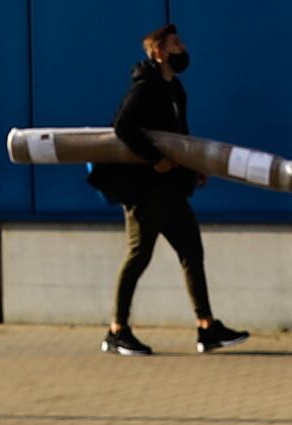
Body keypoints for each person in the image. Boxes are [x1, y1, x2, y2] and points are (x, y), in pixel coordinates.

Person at [100, 22, 249, 357]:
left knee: (192, 252)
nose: (183, 48)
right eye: (176, 43)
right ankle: (117, 331)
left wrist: (195, 165)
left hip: (170, 190)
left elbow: (180, 136)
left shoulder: (175, 89)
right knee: (139, 257)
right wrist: (155, 160)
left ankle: (207, 328)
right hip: (144, 190)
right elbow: (122, 126)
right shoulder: (146, 88)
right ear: (159, 52)